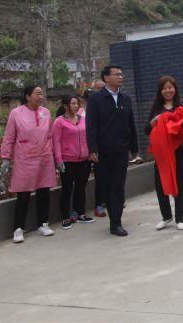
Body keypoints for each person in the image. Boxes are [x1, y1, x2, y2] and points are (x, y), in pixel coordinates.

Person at [1, 85, 59, 243]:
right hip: (25, 158)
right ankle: (18, 228)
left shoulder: (46, 112)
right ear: (27, 96)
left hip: (44, 157)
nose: (40, 97)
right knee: (23, 195)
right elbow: (9, 136)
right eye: (37, 94)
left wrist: (56, 157)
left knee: (44, 192)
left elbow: (51, 135)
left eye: (42, 94)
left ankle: (43, 224)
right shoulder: (16, 113)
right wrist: (6, 157)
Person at [85, 65, 138, 236]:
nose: (120, 77)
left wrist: (134, 147)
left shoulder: (125, 98)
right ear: (106, 78)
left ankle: (116, 222)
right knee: (106, 186)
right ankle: (113, 219)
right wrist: (92, 148)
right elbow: (91, 126)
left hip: (121, 150)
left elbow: (131, 123)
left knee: (118, 186)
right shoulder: (96, 99)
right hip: (102, 151)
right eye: (117, 74)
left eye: (121, 74)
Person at [145, 76, 183, 231]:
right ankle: (166, 216)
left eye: (170, 87)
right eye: (164, 88)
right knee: (160, 185)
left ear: (175, 89)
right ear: (160, 91)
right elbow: (147, 130)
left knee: (180, 184)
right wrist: (154, 121)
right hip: (162, 153)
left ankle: (180, 218)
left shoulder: (182, 105)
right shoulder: (156, 108)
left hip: (181, 151)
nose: (168, 90)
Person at [52, 94, 95, 230]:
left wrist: (91, 153)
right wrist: (58, 160)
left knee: (81, 187)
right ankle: (65, 217)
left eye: (77, 103)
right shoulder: (59, 122)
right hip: (67, 160)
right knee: (67, 188)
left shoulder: (83, 119)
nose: (76, 106)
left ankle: (81, 214)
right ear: (66, 106)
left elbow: (89, 137)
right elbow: (56, 142)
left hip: (84, 160)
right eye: (73, 103)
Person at [79, 83, 107, 219]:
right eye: (88, 99)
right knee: (81, 181)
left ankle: (99, 204)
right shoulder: (79, 114)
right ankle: (79, 210)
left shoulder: (100, 111)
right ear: (84, 100)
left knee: (100, 178)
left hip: (96, 150)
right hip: (83, 153)